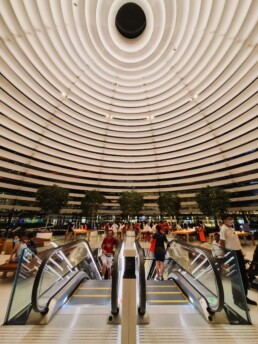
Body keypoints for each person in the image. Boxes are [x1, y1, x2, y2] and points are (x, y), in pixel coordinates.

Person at [219, 214, 257, 307]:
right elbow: (221, 243)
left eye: (231, 219)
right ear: (224, 220)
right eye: (228, 219)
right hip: (231, 254)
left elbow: (236, 242)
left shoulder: (231, 228)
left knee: (243, 276)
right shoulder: (223, 229)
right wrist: (226, 254)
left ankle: (244, 297)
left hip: (238, 254)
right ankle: (238, 300)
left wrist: (241, 251)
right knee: (236, 277)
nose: (231, 220)